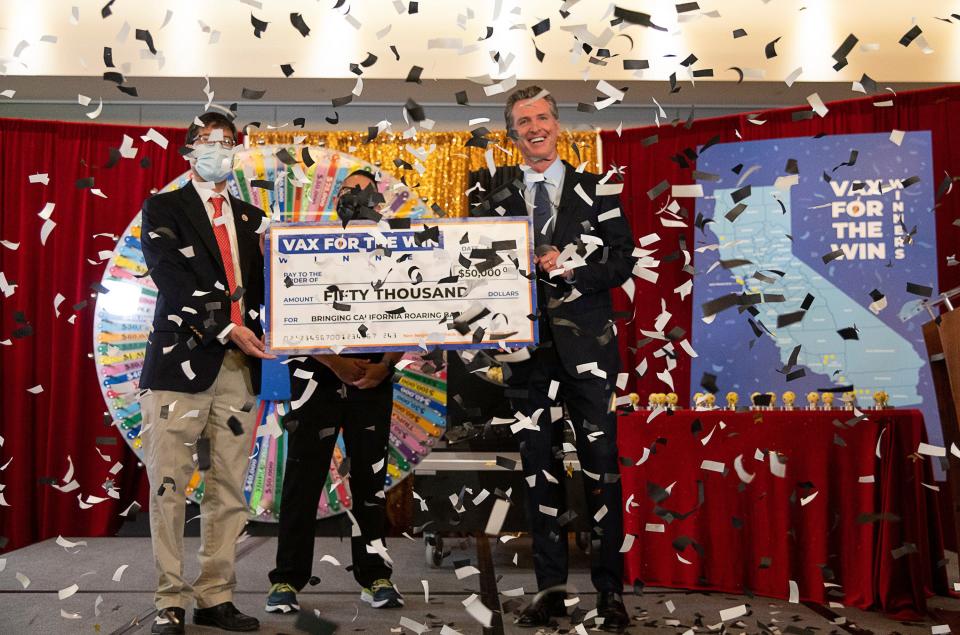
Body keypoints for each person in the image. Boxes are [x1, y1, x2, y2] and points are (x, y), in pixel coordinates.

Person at [474, 86, 635, 632]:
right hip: (524, 353)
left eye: (543, 117)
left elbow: (622, 261)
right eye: (524, 121)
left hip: (589, 348)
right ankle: (551, 591)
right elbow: (476, 268)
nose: (535, 127)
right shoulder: (492, 194)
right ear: (512, 132)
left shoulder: (599, 188)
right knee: (537, 473)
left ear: (558, 124)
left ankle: (610, 593)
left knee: (602, 470)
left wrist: (570, 270)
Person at [139, 111, 273, 635]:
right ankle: (169, 599)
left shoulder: (250, 216)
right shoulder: (163, 207)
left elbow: (264, 292)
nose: (219, 148)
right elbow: (170, 279)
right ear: (189, 151)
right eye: (208, 141)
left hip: (239, 369)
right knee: (168, 485)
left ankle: (215, 596)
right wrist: (226, 328)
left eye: (228, 141)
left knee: (230, 487)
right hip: (180, 363)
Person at [265, 170, 405, 614]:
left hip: (373, 381)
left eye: (364, 191)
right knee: (303, 481)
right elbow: (287, 311)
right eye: (347, 190)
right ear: (336, 201)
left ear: (377, 203)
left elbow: (417, 307)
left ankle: (376, 575)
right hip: (316, 380)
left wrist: (384, 366)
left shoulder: (394, 251)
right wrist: (334, 362)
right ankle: (287, 580)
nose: (354, 197)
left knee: (370, 482)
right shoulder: (310, 250)